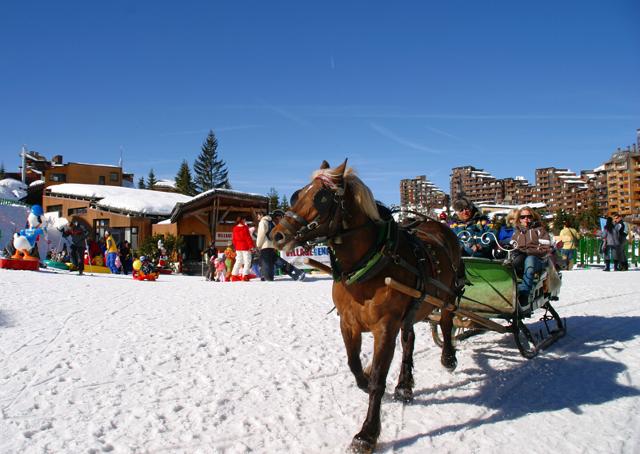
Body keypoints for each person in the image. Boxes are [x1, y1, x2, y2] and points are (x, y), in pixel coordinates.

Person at [511, 206, 552, 305]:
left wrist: (529, 251)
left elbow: (546, 248)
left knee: (529, 260)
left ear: (533, 217)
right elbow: (513, 246)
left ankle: (524, 293)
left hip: (538, 260)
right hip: (522, 259)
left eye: (529, 216)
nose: (526, 219)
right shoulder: (517, 233)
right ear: (519, 219)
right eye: (523, 217)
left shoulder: (539, 230)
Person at [256, 211, 279, 281]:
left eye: (258, 216)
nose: (257, 217)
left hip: (265, 245)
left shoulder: (262, 222)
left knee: (265, 262)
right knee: (270, 262)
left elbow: (261, 234)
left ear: (262, 215)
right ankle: (270, 276)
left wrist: (258, 244)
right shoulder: (271, 222)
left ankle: (267, 277)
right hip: (272, 245)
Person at [231, 216, 254, 281]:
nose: (245, 221)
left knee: (238, 261)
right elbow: (248, 238)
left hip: (238, 248)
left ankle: (234, 275)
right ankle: (245, 275)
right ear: (242, 220)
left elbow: (234, 239)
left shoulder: (235, 228)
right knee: (247, 261)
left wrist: (236, 247)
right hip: (245, 247)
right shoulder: (245, 228)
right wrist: (251, 246)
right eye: (244, 220)